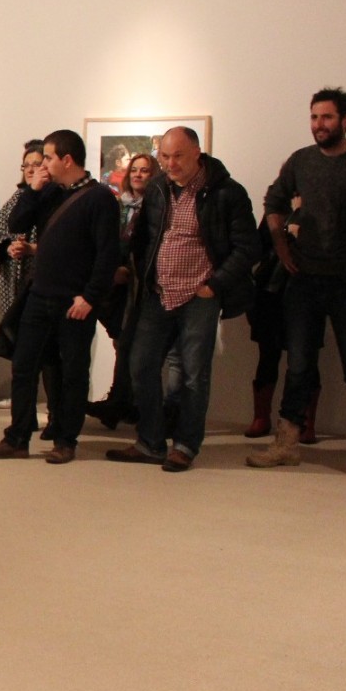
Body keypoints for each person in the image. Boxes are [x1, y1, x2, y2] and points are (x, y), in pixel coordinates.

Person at [106, 128, 258, 472]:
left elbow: (248, 247)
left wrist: (214, 285)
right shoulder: (158, 189)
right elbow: (145, 237)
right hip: (158, 292)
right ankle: (150, 442)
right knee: (141, 365)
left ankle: (185, 446)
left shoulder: (227, 192)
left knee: (193, 375)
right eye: (165, 156)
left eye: (178, 156)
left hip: (199, 295)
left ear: (197, 153)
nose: (170, 164)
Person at [249, 87, 346, 478]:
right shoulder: (301, 160)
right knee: (299, 365)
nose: (318, 124)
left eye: (326, 117)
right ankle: (286, 444)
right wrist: (281, 245)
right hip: (305, 280)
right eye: (314, 117)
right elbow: (274, 201)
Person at [0, 129, 120, 464]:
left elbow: (107, 255)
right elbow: (18, 222)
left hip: (74, 302)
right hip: (39, 295)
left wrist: (90, 297)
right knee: (24, 366)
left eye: (49, 158)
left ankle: (66, 440)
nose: (43, 164)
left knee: (72, 372)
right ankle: (17, 438)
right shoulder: (50, 192)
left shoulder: (100, 198)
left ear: (67, 160)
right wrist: (33, 189)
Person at [84, 151, 156, 429]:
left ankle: (121, 402)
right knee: (121, 341)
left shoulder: (156, 207)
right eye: (134, 169)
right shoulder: (117, 205)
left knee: (130, 343)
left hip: (141, 285)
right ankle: (122, 402)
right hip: (114, 284)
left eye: (145, 170)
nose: (138, 174)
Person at [0, 141, 53, 412]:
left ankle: (53, 404)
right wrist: (7, 247)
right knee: (19, 342)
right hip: (13, 281)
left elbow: (63, 243)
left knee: (47, 347)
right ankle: (22, 399)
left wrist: (33, 249)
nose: (31, 170)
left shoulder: (55, 197)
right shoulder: (16, 198)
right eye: (27, 165)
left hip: (44, 281)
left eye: (37, 164)